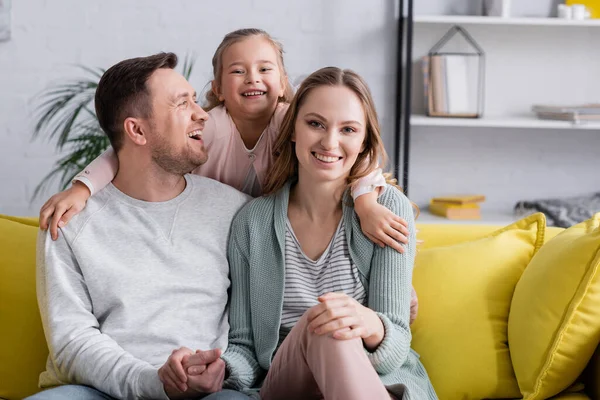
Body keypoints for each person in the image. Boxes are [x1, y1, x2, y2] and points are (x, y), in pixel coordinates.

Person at [39, 28, 411, 257]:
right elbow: (130, 148)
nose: (253, 78)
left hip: (277, 238)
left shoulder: (295, 124)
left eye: (265, 69)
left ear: (283, 83)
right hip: (214, 237)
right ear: (217, 88)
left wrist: (364, 203)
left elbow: (355, 158)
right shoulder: (208, 125)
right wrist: (82, 188)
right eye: (238, 71)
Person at [184, 67, 438, 399]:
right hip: (288, 384)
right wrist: (222, 369)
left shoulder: (387, 209)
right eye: (315, 123)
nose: (330, 142)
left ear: (363, 142)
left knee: (331, 324)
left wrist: (369, 323)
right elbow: (245, 346)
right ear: (293, 131)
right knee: (325, 324)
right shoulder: (253, 223)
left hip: (375, 381)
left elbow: (396, 349)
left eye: (348, 129)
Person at [27, 53, 251, 400]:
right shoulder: (68, 221)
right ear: (137, 130)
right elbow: (72, 341)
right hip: (97, 390)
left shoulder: (235, 211)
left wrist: (222, 371)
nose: (202, 113)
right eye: (182, 103)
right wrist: (153, 382)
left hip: (210, 393)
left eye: (195, 99)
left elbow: (253, 329)